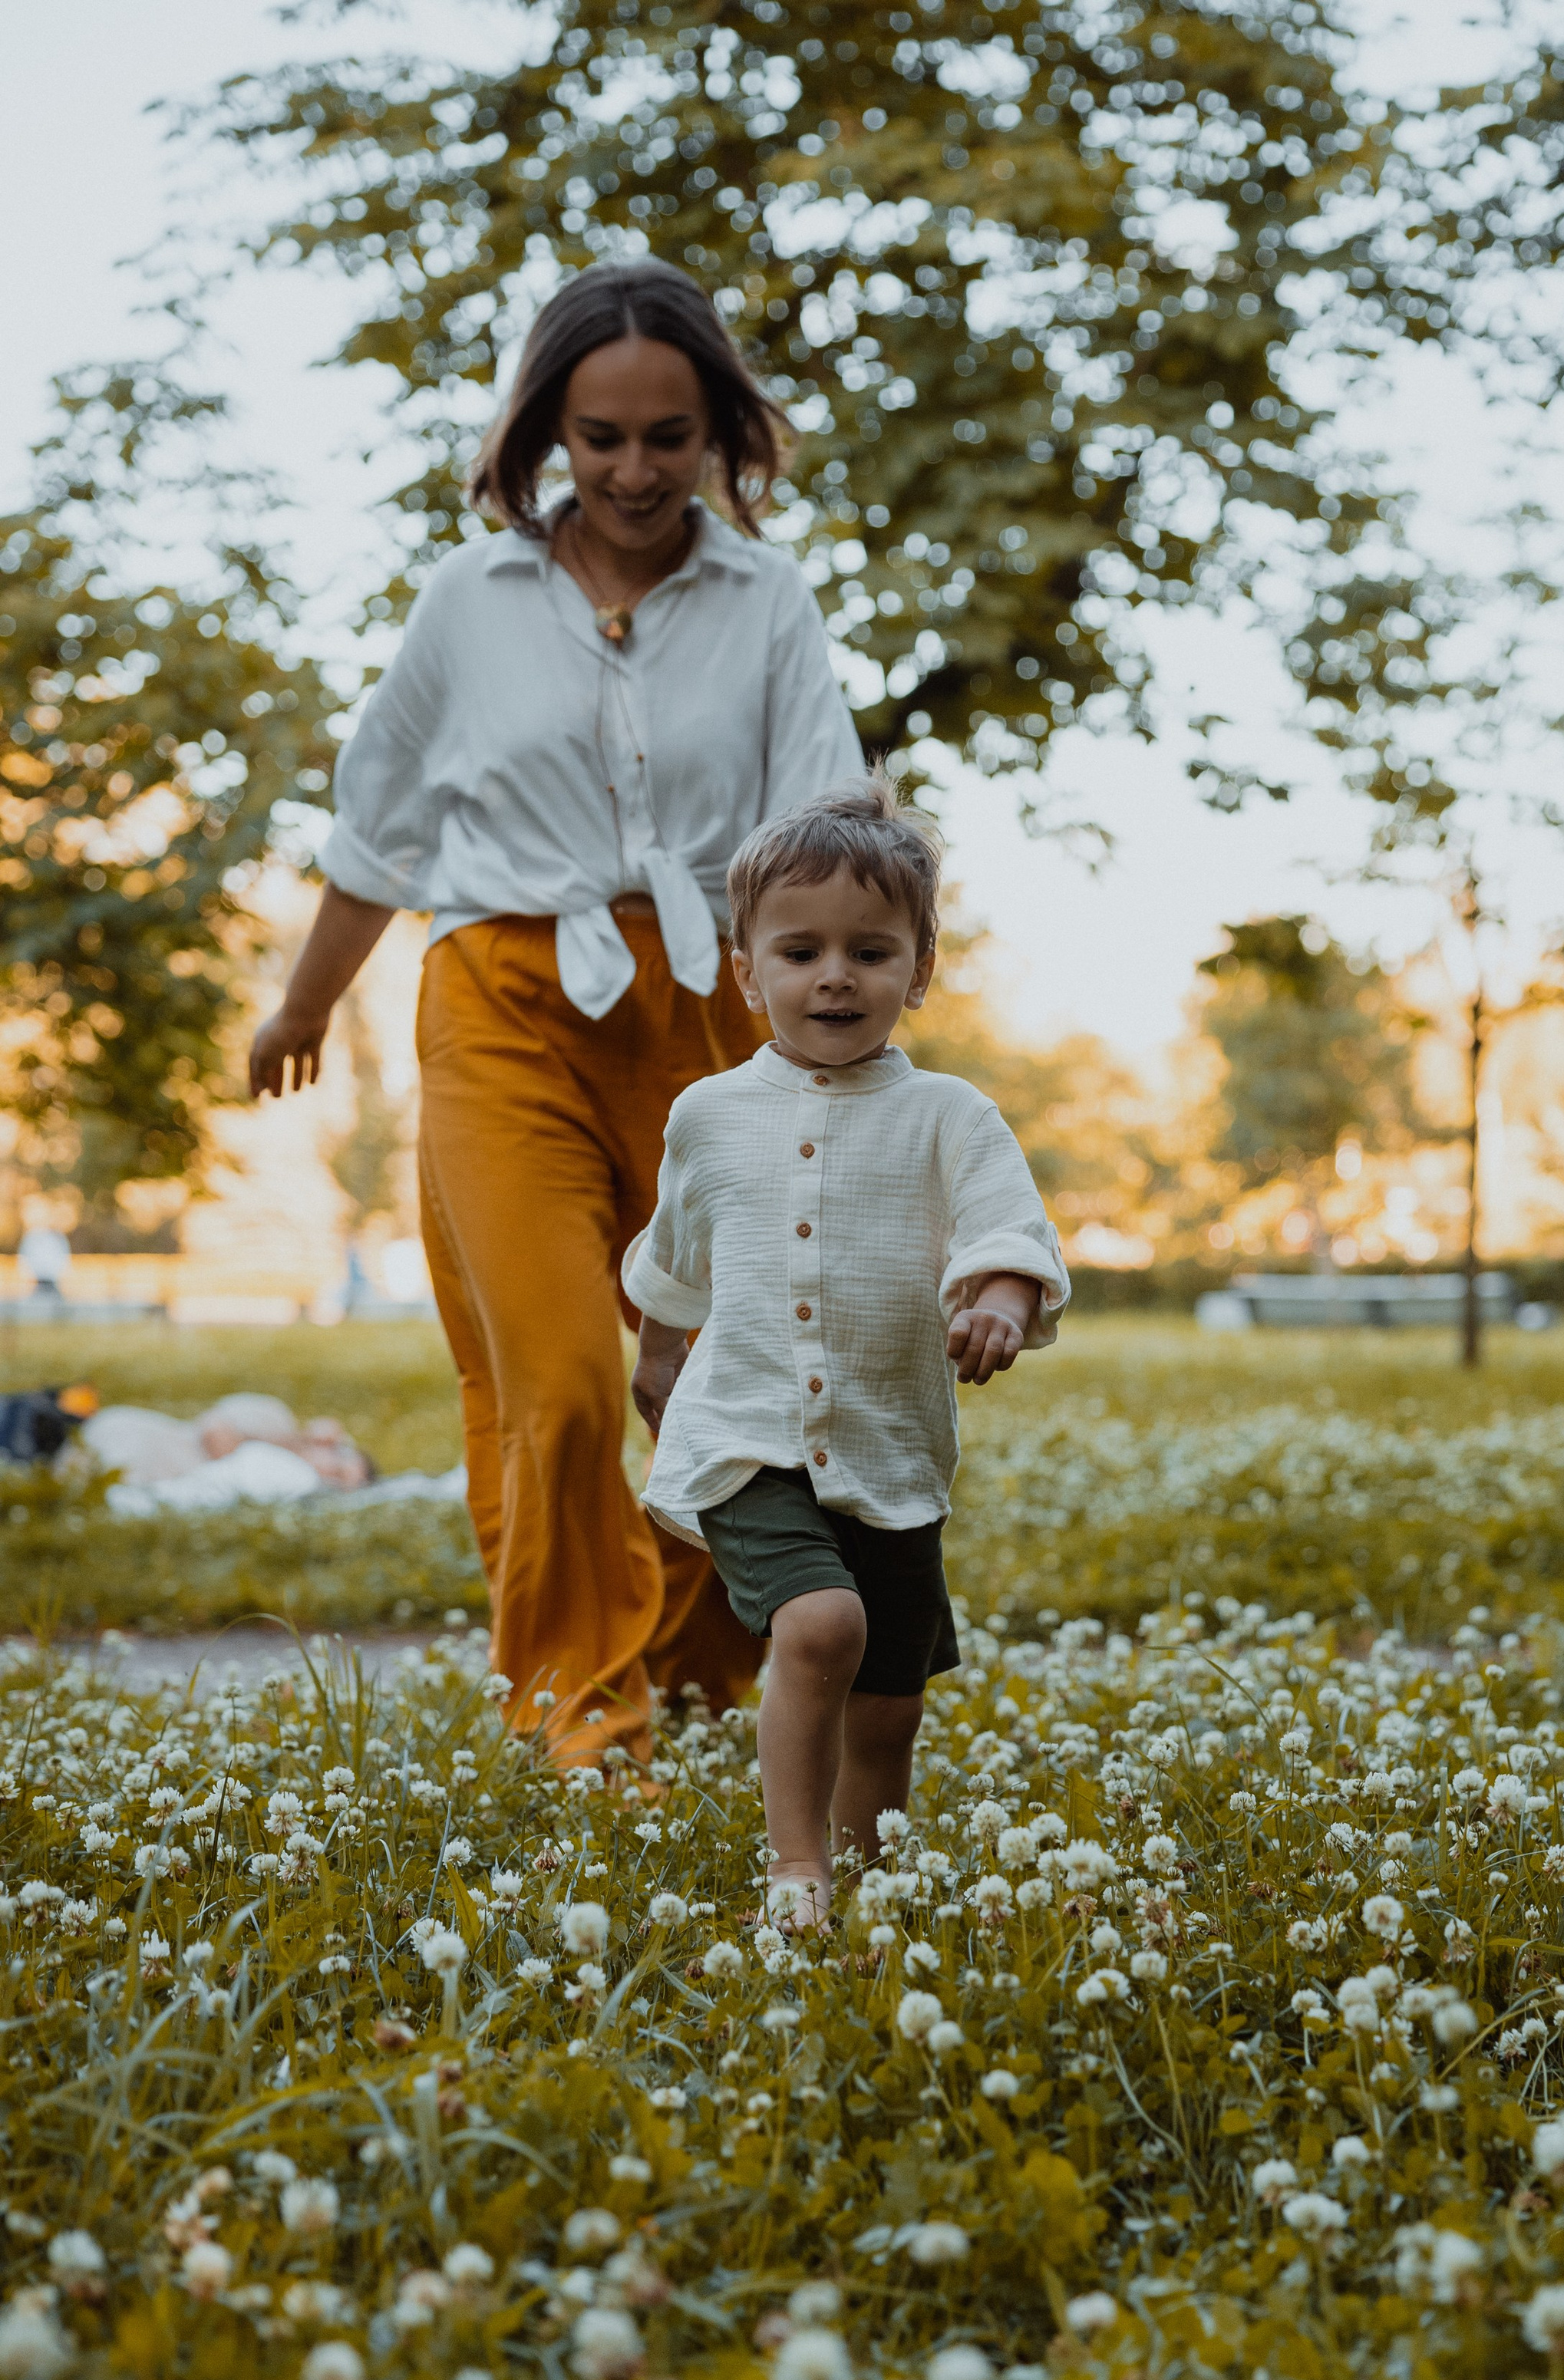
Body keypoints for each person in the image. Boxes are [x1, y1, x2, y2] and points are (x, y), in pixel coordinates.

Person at [247, 262, 864, 1762]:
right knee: (563, 1385)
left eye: (668, 436)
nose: (636, 473)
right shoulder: (470, 599)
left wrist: (848, 1038)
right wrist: (303, 1004)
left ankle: (720, 1674)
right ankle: (583, 1713)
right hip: (502, 1006)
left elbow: (830, 825)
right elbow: (380, 834)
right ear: (548, 433)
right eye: (601, 438)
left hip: (715, 1014)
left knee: (728, 1375)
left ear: (717, 430)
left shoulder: (765, 598)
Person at [624, 782, 1068, 1922]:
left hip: (890, 1445)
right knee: (823, 1625)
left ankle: (873, 1870)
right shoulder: (710, 1113)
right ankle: (796, 1871)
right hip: (746, 1430)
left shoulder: (952, 1117)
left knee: (890, 1699)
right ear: (747, 970)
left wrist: (1003, 1304)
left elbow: (1008, 1230)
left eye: (872, 952)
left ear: (919, 971)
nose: (836, 976)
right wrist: (662, 1359)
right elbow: (674, 1259)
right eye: (802, 950)